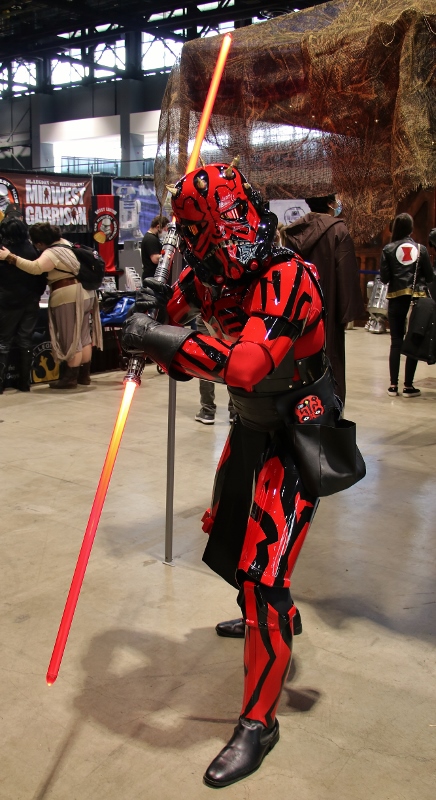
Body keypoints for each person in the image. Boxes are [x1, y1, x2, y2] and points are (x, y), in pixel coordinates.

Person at [122, 160, 342, 787]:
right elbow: (181, 317)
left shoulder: (288, 277)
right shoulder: (208, 270)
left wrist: (163, 338)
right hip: (249, 428)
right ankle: (268, 612)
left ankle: (258, 723)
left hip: (296, 435)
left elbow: (244, 364)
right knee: (227, 535)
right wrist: (153, 309)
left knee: (264, 577)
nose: (191, 246)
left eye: (196, 231)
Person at [281, 193, 365, 403]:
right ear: (330, 203)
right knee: (330, 361)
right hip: (328, 309)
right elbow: (346, 273)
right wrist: (347, 312)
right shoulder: (338, 230)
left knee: (300, 361)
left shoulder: (293, 233)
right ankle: (329, 411)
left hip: (300, 310)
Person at [0, 222, 103, 389]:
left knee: (70, 338)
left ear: (40, 242)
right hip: (86, 293)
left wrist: (10, 257)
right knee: (84, 337)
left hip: (67, 295)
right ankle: (84, 376)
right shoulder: (67, 244)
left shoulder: (52, 253)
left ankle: (69, 378)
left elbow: (35, 268)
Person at [380, 213, 434, 397]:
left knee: (396, 342)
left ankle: (393, 386)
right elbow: (430, 276)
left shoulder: (387, 249)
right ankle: (408, 386)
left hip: (395, 299)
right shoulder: (421, 249)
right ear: (411, 229)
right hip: (416, 300)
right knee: (413, 341)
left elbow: (385, 278)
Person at [0, 217, 46, 393]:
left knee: (3, 341)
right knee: (25, 340)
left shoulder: (3, 251)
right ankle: (25, 382)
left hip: (8, 302)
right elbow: (41, 277)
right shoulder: (32, 250)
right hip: (30, 302)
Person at [195, 314, 236, 424]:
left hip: (206, 314)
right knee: (233, 361)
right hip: (230, 313)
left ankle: (207, 411)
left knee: (206, 362)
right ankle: (235, 411)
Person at [140, 215, 170, 283]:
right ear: (158, 227)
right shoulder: (151, 239)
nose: (165, 232)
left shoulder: (150, 237)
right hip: (151, 278)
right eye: (165, 230)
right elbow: (155, 259)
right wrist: (166, 256)